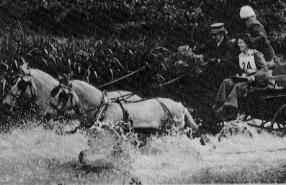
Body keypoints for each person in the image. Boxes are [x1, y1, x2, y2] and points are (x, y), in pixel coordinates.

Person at [215, 33, 269, 120]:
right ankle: (220, 105)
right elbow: (242, 69)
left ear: (247, 43)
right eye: (238, 43)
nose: (239, 45)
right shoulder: (240, 56)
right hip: (246, 80)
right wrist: (240, 74)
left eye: (241, 42)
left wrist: (254, 76)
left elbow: (264, 69)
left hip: (258, 82)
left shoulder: (255, 54)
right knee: (227, 82)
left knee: (238, 87)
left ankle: (234, 110)